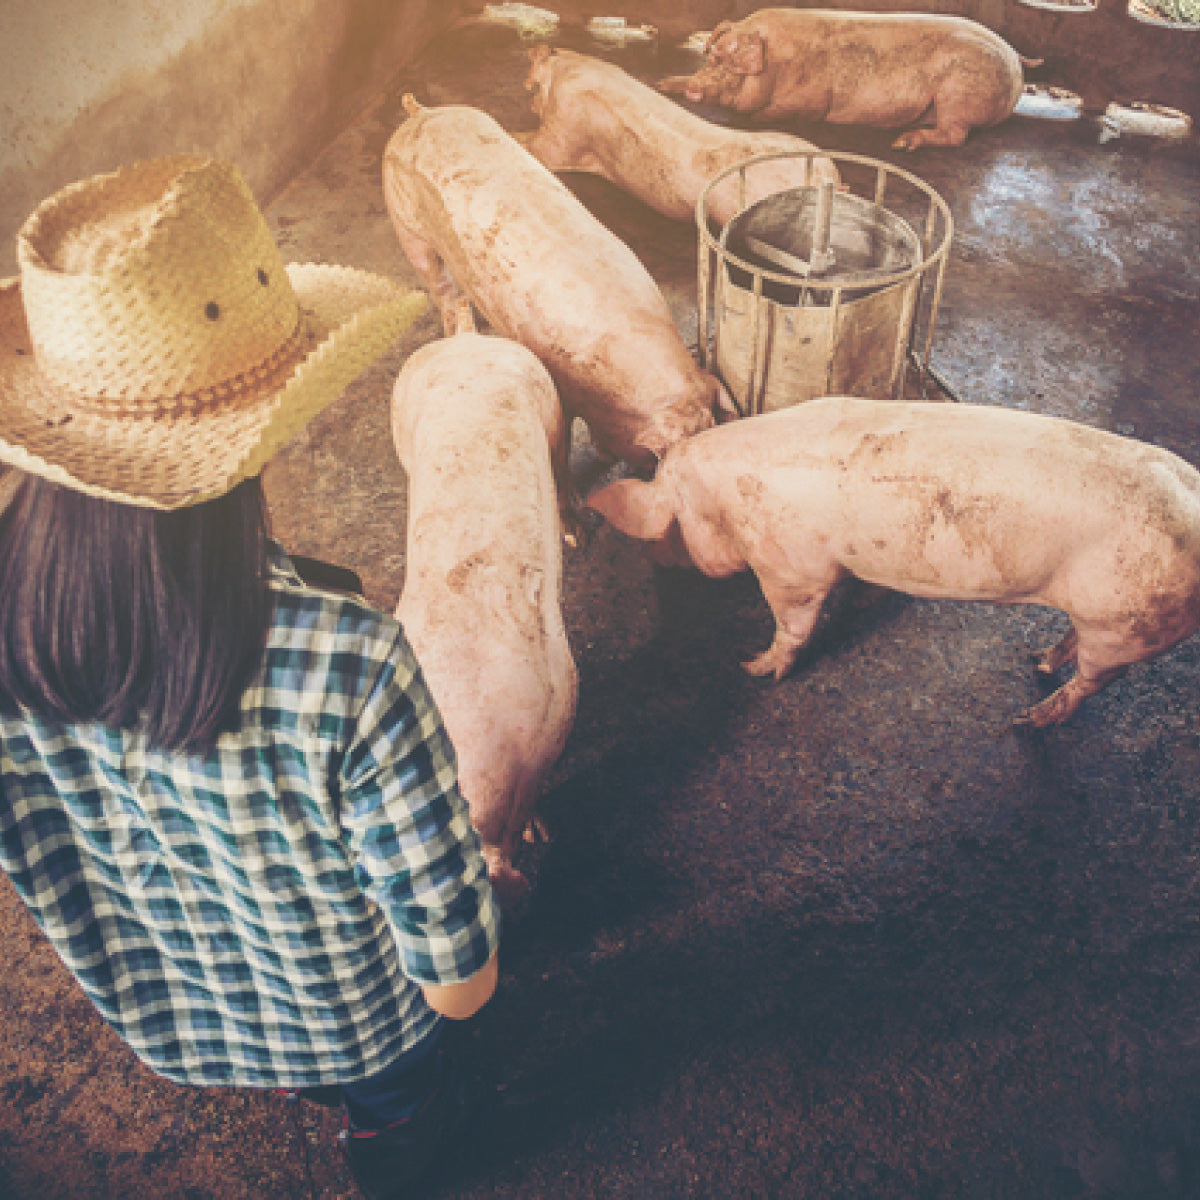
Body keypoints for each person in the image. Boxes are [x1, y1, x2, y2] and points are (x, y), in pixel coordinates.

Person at [0, 155, 501, 1200]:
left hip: (178, 1018)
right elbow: (458, 986)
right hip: (360, 1027)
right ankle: (394, 1158)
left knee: (301, 1059)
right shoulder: (352, 667)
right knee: (405, 1096)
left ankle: (295, 1089)